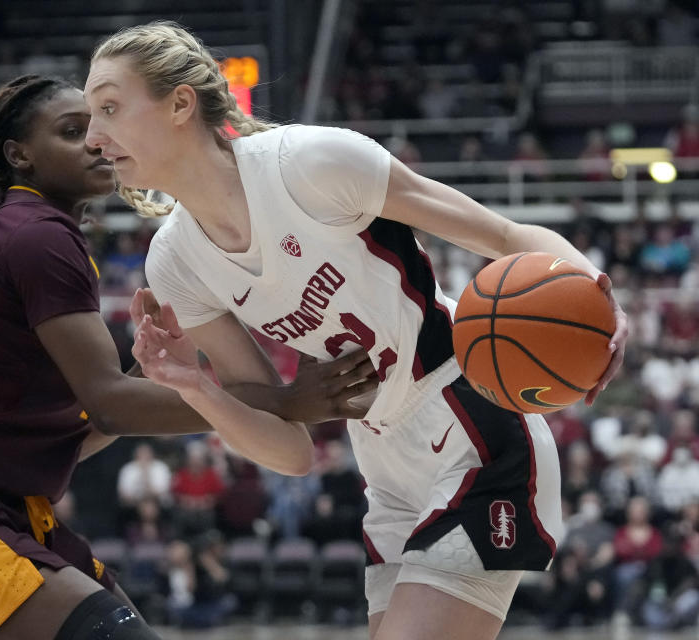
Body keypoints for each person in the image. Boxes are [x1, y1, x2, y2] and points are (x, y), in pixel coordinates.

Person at [83, 22, 629, 640]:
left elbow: (503, 237)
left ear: (180, 103)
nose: (94, 136)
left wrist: (593, 295)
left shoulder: (309, 164)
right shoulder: (175, 262)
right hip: (382, 460)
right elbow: (290, 451)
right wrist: (197, 389)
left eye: (108, 107)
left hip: (471, 418)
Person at [0, 74, 378, 640]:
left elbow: (83, 431)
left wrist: (150, 377)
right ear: (21, 156)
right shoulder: (37, 234)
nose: (95, 140)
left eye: (100, 126)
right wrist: (285, 401)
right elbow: (110, 407)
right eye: (71, 130)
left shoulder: (22, 231)